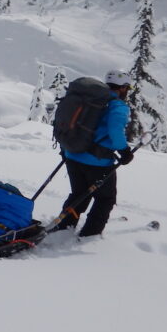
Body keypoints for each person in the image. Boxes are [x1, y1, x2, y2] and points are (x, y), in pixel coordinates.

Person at [52, 69, 133, 238]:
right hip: (98, 162)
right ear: (123, 88)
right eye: (127, 88)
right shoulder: (118, 106)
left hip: (72, 155)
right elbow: (115, 130)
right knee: (105, 199)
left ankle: (64, 227)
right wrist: (125, 151)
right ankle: (90, 235)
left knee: (79, 194)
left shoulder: (91, 99)